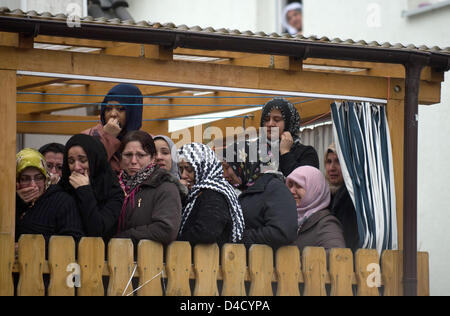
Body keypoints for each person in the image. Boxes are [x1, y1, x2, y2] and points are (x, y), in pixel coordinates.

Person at [222, 142, 298, 249]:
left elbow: (284, 231)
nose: (224, 174)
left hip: (267, 262)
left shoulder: (274, 189)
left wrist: (241, 238)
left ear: (245, 162)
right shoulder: (243, 191)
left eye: (227, 167)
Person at [114, 131, 183, 245]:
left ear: (152, 158)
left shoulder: (165, 187)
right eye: (128, 155)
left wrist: (123, 237)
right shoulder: (113, 187)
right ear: (120, 157)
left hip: (149, 260)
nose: (133, 161)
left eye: (141, 155)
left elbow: (166, 229)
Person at [177, 143, 245, 246]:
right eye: (181, 169)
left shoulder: (214, 192)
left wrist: (174, 242)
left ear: (204, 167)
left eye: (189, 169)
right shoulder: (195, 193)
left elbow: (207, 232)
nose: (183, 175)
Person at [60, 134, 124, 241]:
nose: (76, 167)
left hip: (100, 254)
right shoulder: (62, 188)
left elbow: (96, 229)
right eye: (71, 161)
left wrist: (84, 190)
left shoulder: (113, 193)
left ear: (95, 160)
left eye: (83, 160)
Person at [15, 148, 83, 243]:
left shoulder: (62, 201)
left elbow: (71, 240)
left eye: (38, 178)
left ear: (46, 179)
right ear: (17, 181)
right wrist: (18, 202)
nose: (33, 185)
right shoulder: (9, 201)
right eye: (25, 179)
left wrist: (29, 245)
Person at [83, 84, 144, 174]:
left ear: (133, 112)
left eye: (120, 109)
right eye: (108, 109)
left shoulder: (146, 141)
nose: (113, 114)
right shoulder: (86, 137)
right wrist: (107, 137)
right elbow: (87, 169)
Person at [286, 166, 346, 252]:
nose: (292, 191)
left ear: (315, 190)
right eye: (290, 185)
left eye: (299, 186)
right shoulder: (286, 219)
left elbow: (337, 259)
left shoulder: (326, 224)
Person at [260, 97, 319, 177]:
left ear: (289, 123)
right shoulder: (255, 150)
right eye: (266, 119)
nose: (270, 124)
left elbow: (304, 182)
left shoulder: (306, 153)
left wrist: (285, 152)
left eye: (277, 120)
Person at [325, 143, 359, 251]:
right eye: (329, 162)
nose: (332, 168)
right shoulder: (326, 194)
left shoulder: (350, 197)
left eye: (338, 161)